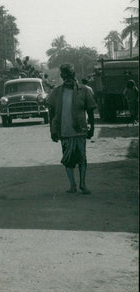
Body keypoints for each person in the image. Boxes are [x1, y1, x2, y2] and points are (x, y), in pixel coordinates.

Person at [47, 63, 96, 194]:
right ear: (61, 76)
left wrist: (92, 128)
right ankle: (72, 185)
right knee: (68, 160)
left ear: (74, 74)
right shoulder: (56, 92)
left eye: (69, 74)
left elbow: (90, 111)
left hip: (80, 131)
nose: (67, 77)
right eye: (64, 75)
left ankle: (83, 185)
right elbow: (51, 112)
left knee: (82, 158)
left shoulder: (84, 91)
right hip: (64, 132)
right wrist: (52, 130)